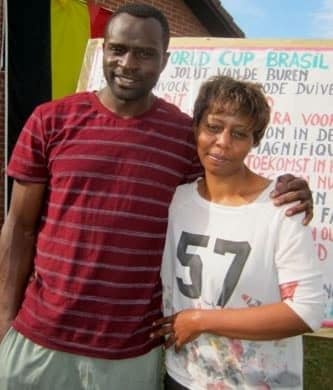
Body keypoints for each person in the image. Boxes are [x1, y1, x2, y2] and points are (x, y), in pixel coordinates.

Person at [0, 3, 314, 390]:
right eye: (118, 49)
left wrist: (287, 188)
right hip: (38, 338)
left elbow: (229, 190)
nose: (128, 63)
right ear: (104, 51)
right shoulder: (50, 121)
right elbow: (19, 228)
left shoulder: (185, 138)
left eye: (145, 53)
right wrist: (4, 318)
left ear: (165, 59)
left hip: (130, 350)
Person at [151, 75, 324, 390]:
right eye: (214, 127)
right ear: (196, 128)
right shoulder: (177, 200)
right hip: (183, 377)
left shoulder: (281, 209)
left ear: (254, 141)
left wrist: (200, 321)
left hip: (259, 383)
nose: (223, 142)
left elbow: (306, 310)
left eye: (239, 133)